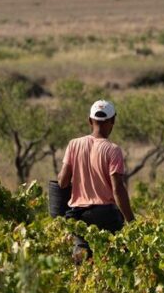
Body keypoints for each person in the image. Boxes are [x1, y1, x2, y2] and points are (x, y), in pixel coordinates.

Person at [57, 99, 135, 262]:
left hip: (78, 215)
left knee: (81, 261)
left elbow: (62, 182)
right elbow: (117, 188)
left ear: (90, 121)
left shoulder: (74, 144)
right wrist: (131, 221)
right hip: (105, 214)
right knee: (115, 260)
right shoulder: (113, 150)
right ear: (113, 120)